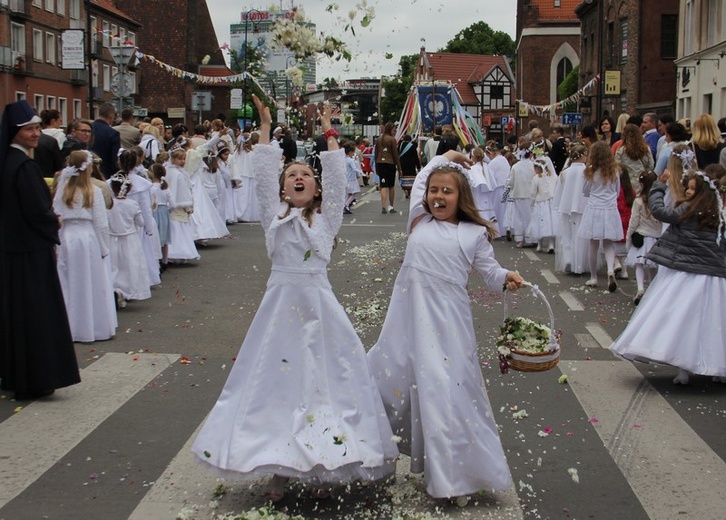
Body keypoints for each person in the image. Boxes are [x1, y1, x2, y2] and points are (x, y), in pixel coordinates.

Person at [191, 95, 398, 501]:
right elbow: (266, 174)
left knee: (323, 383)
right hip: (279, 312)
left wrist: (329, 133)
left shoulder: (327, 218)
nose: (298, 178)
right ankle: (279, 468)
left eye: (306, 174)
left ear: (316, 187)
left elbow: (338, 181)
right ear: (284, 188)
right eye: (292, 175)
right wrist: (265, 128)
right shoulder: (274, 215)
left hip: (319, 309)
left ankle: (325, 464)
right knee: (277, 386)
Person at [367, 149, 525, 501]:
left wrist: (506, 278)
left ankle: (453, 478)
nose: (438, 196)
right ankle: (366, 456)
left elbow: (490, 271)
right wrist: (445, 157)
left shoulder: (472, 234)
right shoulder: (418, 221)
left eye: (447, 191)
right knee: (384, 379)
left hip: (448, 325)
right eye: (434, 191)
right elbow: (423, 176)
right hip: (406, 321)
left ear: (461, 197)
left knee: (444, 392)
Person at [610, 169, 726, 385]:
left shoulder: (687, 210)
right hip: (714, 275)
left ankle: (683, 369)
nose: (689, 191)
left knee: (682, 320)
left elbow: (660, 211)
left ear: (701, 192)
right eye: (688, 187)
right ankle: (717, 368)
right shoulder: (718, 214)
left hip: (686, 272)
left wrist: (659, 186)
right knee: (713, 323)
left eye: (692, 188)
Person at [0, 100, 80, 400]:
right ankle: (37, 377)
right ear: (15, 132)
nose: (35, 134)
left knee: (15, 315)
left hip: (13, 249)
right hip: (31, 251)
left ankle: (15, 373)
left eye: (36, 128)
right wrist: (53, 222)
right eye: (28, 130)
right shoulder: (24, 166)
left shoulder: (8, 162)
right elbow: (37, 211)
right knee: (35, 315)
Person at [53, 150, 116, 342]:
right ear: (88, 167)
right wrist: (104, 248)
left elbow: (56, 215)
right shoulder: (93, 191)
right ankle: (90, 325)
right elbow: (101, 223)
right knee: (89, 281)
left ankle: (68, 326)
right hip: (87, 238)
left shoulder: (62, 191)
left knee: (68, 280)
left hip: (67, 237)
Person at [578, 140, 624, 291]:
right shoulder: (615, 171)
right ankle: (610, 269)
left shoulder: (591, 171)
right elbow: (617, 192)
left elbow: (585, 191)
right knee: (608, 243)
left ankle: (593, 277)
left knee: (593, 244)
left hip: (594, 208)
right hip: (610, 208)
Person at [107, 173, 151, 307]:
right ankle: (126, 291)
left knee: (114, 266)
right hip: (129, 239)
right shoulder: (132, 204)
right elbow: (141, 222)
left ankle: (115, 289)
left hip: (112, 238)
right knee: (129, 266)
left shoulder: (108, 205)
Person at [624, 171, 661, 305]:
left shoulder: (639, 201)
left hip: (642, 236)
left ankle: (640, 288)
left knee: (639, 264)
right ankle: (652, 289)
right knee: (653, 266)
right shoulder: (659, 201)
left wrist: (628, 236)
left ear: (641, 183)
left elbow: (634, 221)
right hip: (656, 237)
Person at [553, 144, 590, 274]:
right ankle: (578, 264)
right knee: (580, 236)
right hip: (582, 207)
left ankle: (568, 259)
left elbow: (559, 192)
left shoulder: (565, 173)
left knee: (567, 234)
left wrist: (559, 205)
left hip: (566, 207)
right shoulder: (587, 172)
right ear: (583, 156)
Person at [164, 145, 199, 262]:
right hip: (178, 206)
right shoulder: (176, 174)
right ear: (172, 159)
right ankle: (176, 253)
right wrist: (187, 204)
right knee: (177, 229)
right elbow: (180, 191)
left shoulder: (176, 172)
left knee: (179, 229)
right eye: (180, 159)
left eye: (184, 159)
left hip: (175, 205)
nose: (183, 161)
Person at [507, 141, 537, 247]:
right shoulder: (534, 165)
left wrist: (510, 188)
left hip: (518, 194)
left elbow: (511, 181)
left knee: (519, 217)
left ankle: (520, 239)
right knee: (530, 216)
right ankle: (531, 238)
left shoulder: (516, 166)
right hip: (530, 194)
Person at [526, 156, 558, 253]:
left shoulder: (536, 178)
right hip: (552, 202)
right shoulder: (553, 176)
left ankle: (539, 245)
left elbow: (533, 193)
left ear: (537, 168)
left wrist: (531, 203)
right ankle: (551, 244)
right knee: (551, 224)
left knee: (540, 223)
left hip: (540, 202)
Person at [616, 123, 655, 192]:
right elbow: (651, 165)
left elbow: (617, 167)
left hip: (627, 183)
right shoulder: (646, 149)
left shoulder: (621, 150)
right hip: (642, 181)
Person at [149, 164, 173, 271]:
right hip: (164, 213)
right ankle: (165, 260)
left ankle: (156, 260)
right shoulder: (166, 188)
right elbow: (173, 204)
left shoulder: (150, 188)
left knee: (155, 237)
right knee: (164, 239)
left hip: (153, 212)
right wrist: (167, 211)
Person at [375, 122, 401, 214]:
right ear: (390, 130)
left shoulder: (378, 139)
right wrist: (399, 167)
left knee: (383, 186)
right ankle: (391, 206)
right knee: (391, 186)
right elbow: (395, 154)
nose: (395, 132)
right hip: (390, 163)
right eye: (394, 130)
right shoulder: (392, 139)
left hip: (380, 163)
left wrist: (376, 166)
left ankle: (383, 207)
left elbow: (376, 153)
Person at [91, 102, 120, 179]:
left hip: (87, 171)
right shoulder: (113, 133)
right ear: (111, 116)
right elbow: (114, 159)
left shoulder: (88, 129)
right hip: (105, 173)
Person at [397, 134, 420, 199]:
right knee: (411, 177)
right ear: (410, 139)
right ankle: (409, 189)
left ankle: (405, 190)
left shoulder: (400, 145)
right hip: (411, 164)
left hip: (402, 164)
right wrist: (418, 166)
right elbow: (416, 157)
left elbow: (397, 154)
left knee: (403, 177)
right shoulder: (412, 146)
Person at [343, 142, 362, 214]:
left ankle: (345, 205)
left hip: (346, 178)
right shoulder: (351, 160)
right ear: (350, 152)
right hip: (352, 179)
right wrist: (361, 173)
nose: (353, 154)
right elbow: (355, 168)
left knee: (348, 193)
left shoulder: (344, 159)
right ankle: (346, 204)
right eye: (353, 152)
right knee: (355, 192)